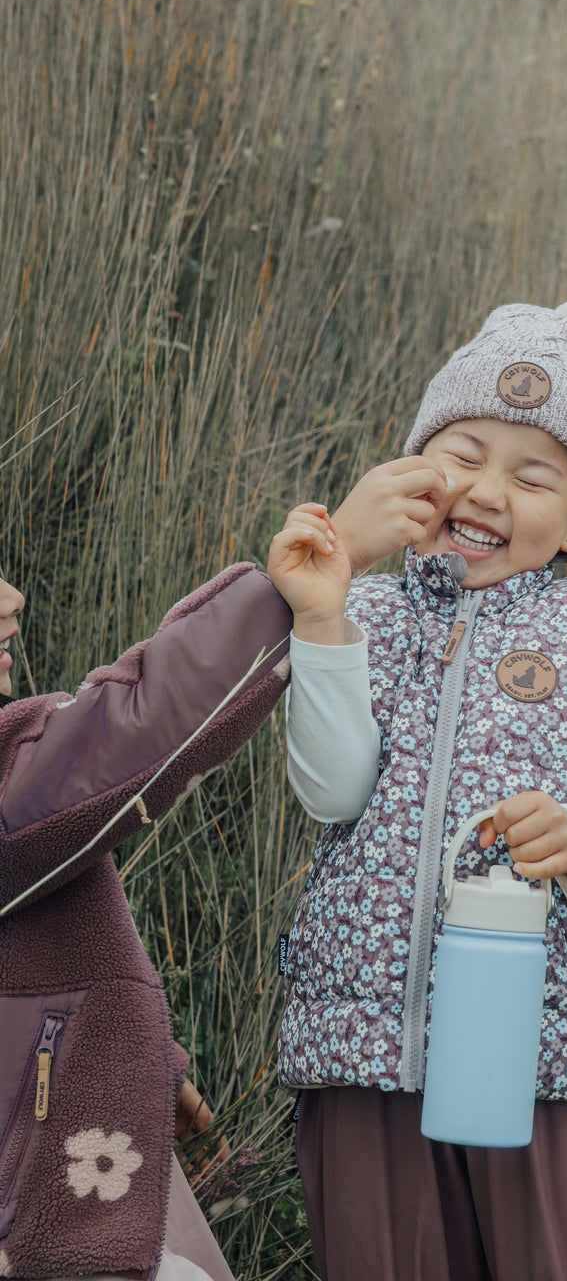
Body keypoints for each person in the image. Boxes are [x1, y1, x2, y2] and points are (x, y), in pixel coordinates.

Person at [270, 301, 567, 1281]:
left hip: (546, 1043)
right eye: (461, 452)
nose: (486, 490)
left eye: (533, 477)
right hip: (364, 1038)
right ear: (410, 471)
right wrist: (320, 624)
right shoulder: (359, 605)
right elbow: (332, 793)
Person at [0, 539, 304, 1281]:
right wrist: (285, 593)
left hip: (71, 1159)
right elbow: (138, 731)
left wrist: (136, 1064)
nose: (12, 602)